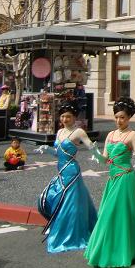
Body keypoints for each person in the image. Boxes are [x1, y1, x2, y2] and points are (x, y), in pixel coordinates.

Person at [85, 97, 135, 268]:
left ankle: (127, 250)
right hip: (113, 179)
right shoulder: (111, 135)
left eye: (122, 117)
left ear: (129, 118)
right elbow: (104, 160)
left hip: (126, 178)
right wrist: (95, 152)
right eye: (117, 117)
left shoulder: (133, 135)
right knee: (110, 213)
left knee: (122, 213)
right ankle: (110, 250)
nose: (119, 120)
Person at [35, 104, 98, 253]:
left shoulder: (79, 132)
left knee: (69, 203)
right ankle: (63, 229)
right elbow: (58, 153)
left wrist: (96, 153)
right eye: (62, 116)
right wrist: (47, 148)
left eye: (68, 116)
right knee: (54, 198)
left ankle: (70, 234)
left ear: (74, 117)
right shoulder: (60, 132)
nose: (65, 119)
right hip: (61, 171)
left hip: (72, 171)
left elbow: (90, 145)